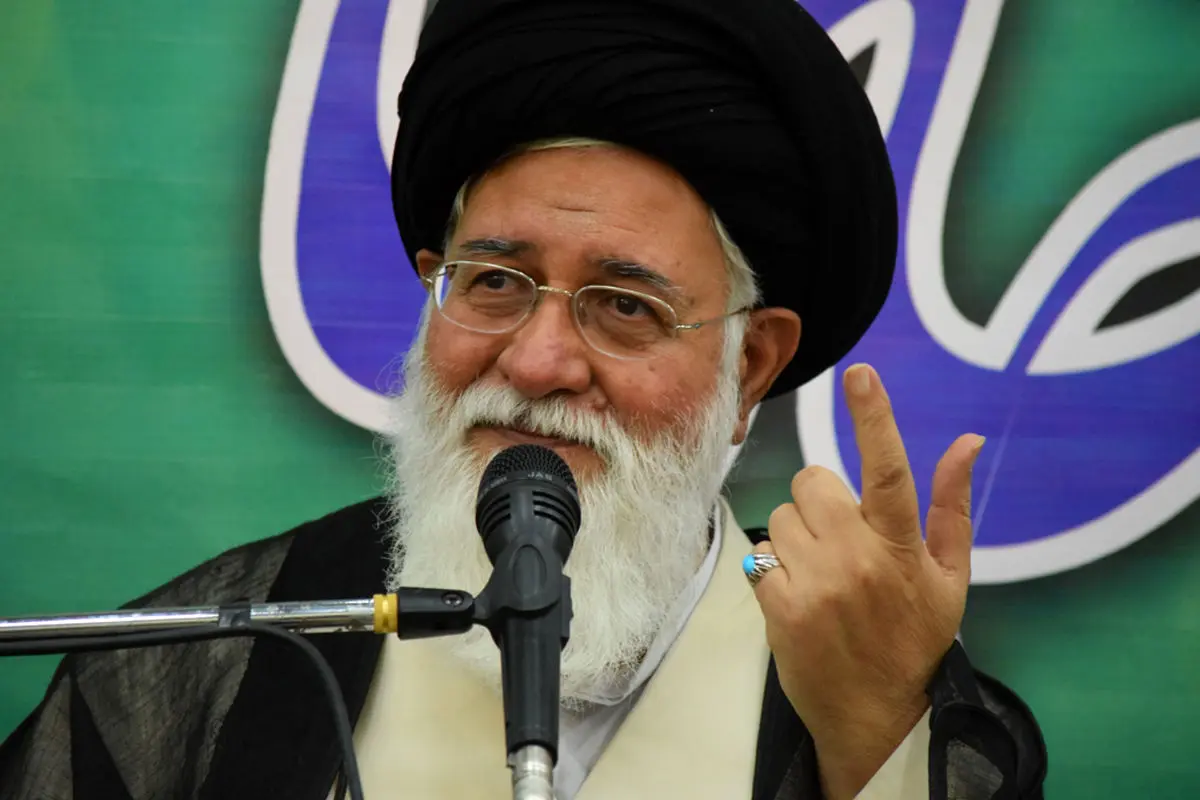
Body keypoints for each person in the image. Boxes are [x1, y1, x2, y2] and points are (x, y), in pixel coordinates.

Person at [0, 0, 1047, 798]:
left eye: (625, 305)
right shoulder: (229, 649)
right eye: (495, 282)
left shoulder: (856, 681)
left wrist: (874, 731)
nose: (539, 361)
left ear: (752, 366)